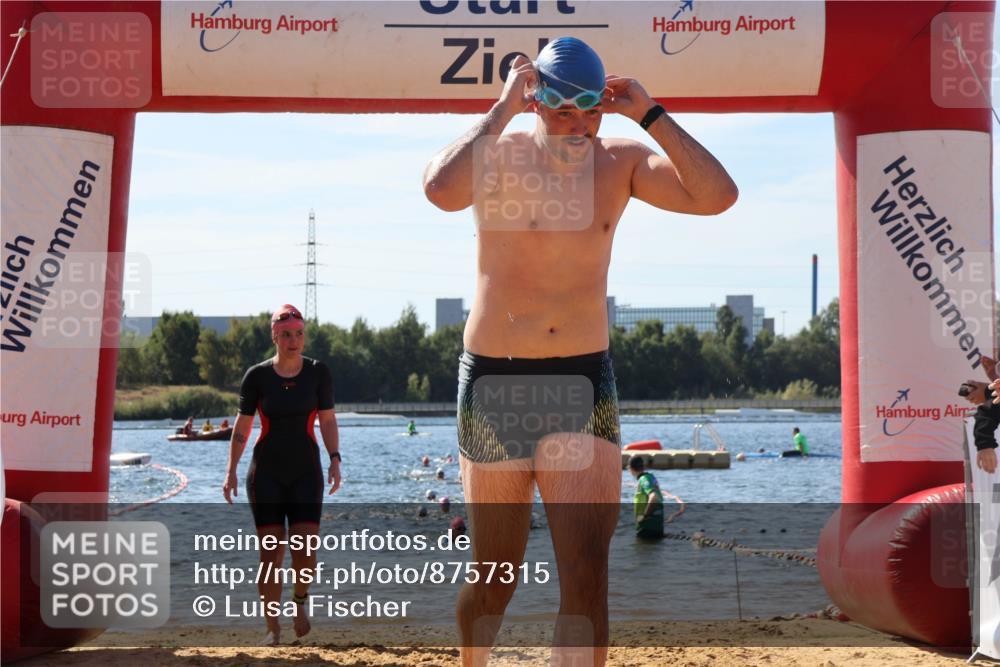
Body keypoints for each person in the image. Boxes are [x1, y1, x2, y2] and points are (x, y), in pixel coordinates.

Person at [423, 36, 736, 666]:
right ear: (538, 102)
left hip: (582, 381)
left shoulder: (620, 161)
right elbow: (440, 190)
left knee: (587, 570)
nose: (579, 125)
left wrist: (649, 113)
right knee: (496, 579)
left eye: (591, 110)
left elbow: (716, 196)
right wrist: (503, 106)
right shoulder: (499, 153)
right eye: (565, 110)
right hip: (494, 384)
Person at [222, 304, 342, 645]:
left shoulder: (319, 373)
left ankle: (300, 604)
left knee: (306, 549)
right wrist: (230, 470)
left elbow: (328, 420)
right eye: (287, 335)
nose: (294, 340)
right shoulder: (257, 376)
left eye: (300, 334)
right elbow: (242, 428)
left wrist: (335, 457)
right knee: (271, 553)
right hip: (266, 474)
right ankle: (272, 628)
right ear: (275, 336)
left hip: (306, 471)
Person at [628, 456, 684, 539]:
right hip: (657, 528)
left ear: (631, 468)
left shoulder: (644, 479)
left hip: (647, 529)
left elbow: (654, 497)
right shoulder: (651, 477)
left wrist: (645, 515)